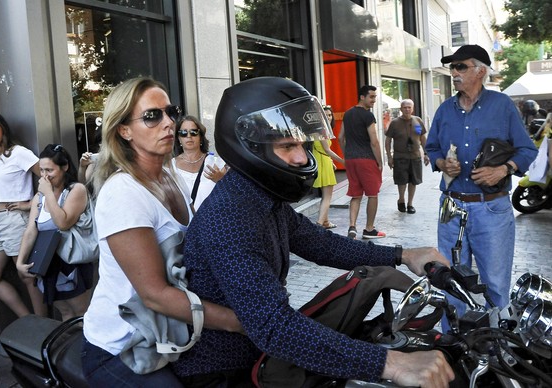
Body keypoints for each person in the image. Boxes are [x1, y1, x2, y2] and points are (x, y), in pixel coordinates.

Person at [174, 77, 454, 387]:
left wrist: (403, 255)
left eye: (303, 145)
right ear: (248, 146)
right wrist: (391, 364)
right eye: (287, 146)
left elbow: (322, 244)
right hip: (224, 372)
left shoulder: (261, 198)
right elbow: (274, 327)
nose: (301, 157)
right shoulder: (230, 216)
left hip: (261, 360)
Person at [81, 77, 242, 387]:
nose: (169, 123)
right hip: (122, 346)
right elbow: (154, 296)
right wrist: (239, 322)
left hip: (167, 334)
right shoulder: (123, 193)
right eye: (152, 116)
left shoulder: (169, 175)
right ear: (124, 130)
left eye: (171, 112)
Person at [426, 45, 538, 326]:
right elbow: (432, 148)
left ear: (481, 71)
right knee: (449, 280)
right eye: (452, 67)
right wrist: (441, 163)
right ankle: (452, 343)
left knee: (495, 284)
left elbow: (527, 150)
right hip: (450, 207)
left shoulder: (502, 106)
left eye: (460, 67)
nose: (453, 72)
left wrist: (504, 169)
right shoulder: (444, 110)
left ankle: (497, 344)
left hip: (492, 209)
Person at [0, 111, 45, 318]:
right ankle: (28, 320)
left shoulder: (18, 153)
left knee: (27, 277)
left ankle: (42, 327)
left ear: (2, 128)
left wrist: (29, 204)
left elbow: (49, 176)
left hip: (14, 220)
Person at [16, 144, 94, 321]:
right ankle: (69, 348)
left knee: (81, 313)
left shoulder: (76, 190)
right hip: (48, 262)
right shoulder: (39, 197)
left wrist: (49, 194)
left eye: (49, 170)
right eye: (42, 170)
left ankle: (84, 348)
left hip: (72, 261)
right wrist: (20, 262)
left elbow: (63, 222)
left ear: (64, 167)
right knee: (65, 312)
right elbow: (31, 230)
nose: (44, 176)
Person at [338, 85, 386, 239]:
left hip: (351, 160)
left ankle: (352, 227)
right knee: (372, 194)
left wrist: (347, 156)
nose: (373, 100)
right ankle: (369, 229)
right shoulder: (368, 116)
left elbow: (340, 137)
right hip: (366, 159)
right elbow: (374, 141)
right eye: (371, 97)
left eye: (375, 97)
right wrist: (380, 161)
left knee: (356, 195)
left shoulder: (348, 113)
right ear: (362, 97)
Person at [171, 115, 227, 211]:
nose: (189, 136)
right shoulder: (170, 167)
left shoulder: (217, 163)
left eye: (193, 132)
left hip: (212, 222)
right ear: (179, 138)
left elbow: (235, 195)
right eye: (183, 133)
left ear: (201, 137)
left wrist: (221, 180)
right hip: (184, 225)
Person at [384, 99, 430, 214]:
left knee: (414, 181)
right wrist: (389, 157)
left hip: (415, 156)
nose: (407, 109)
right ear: (401, 109)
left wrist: (426, 153)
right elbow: (388, 140)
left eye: (409, 107)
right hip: (400, 157)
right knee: (401, 181)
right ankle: (401, 199)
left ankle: (410, 204)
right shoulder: (395, 123)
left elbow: (422, 138)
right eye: (405, 107)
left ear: (412, 108)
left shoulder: (418, 121)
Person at [313, 105, 344, 228]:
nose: (328, 117)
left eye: (330, 115)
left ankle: (325, 222)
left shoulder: (318, 129)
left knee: (325, 195)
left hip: (322, 161)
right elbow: (327, 150)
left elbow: (320, 149)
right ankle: (319, 225)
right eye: (325, 115)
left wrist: (331, 161)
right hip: (323, 163)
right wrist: (343, 161)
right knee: (327, 197)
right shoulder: (322, 130)